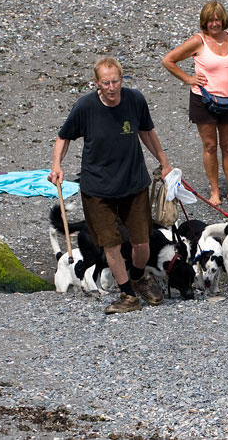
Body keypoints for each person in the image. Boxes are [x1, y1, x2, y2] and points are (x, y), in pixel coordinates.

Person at [48, 57, 172, 315]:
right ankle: (128, 294)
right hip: (97, 189)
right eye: (106, 83)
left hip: (134, 183)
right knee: (110, 245)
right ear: (96, 83)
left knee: (141, 244)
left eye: (116, 81)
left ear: (122, 79)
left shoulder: (135, 100)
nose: (112, 87)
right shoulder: (85, 107)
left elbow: (147, 132)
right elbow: (63, 137)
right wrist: (56, 165)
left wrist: (164, 162)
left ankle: (138, 277)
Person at [162, 0, 228, 207]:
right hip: (203, 100)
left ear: (223, 20)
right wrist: (188, 79)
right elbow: (168, 60)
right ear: (204, 22)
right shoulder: (198, 41)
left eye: (218, 19)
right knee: (210, 146)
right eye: (210, 20)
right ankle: (214, 191)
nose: (214, 24)